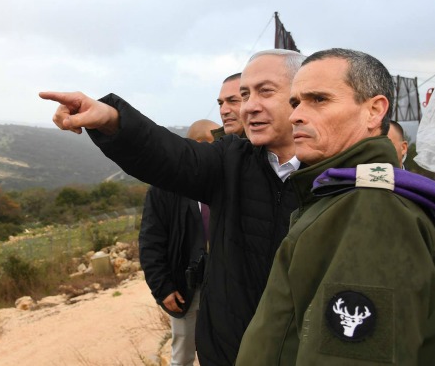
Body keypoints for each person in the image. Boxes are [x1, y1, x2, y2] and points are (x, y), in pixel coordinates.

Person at [40, 48, 306, 365]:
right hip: (229, 352)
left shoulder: (339, 173)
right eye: (244, 95)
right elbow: (171, 156)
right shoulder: (230, 159)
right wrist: (112, 120)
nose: (249, 107)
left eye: (265, 91)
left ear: (301, 95)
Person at [236, 48, 435, 365]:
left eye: (318, 99)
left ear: (374, 110)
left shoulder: (375, 212)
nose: (296, 116)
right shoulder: (343, 196)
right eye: (295, 102)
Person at [139, 119, 219, 366]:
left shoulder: (226, 181)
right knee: (183, 351)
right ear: (197, 145)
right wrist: (162, 286)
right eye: (216, 143)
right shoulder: (164, 188)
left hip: (223, 286)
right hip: (186, 288)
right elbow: (151, 240)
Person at [211, 73, 244, 140]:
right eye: (220, 103)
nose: (223, 111)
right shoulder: (216, 146)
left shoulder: (269, 147)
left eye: (233, 101)